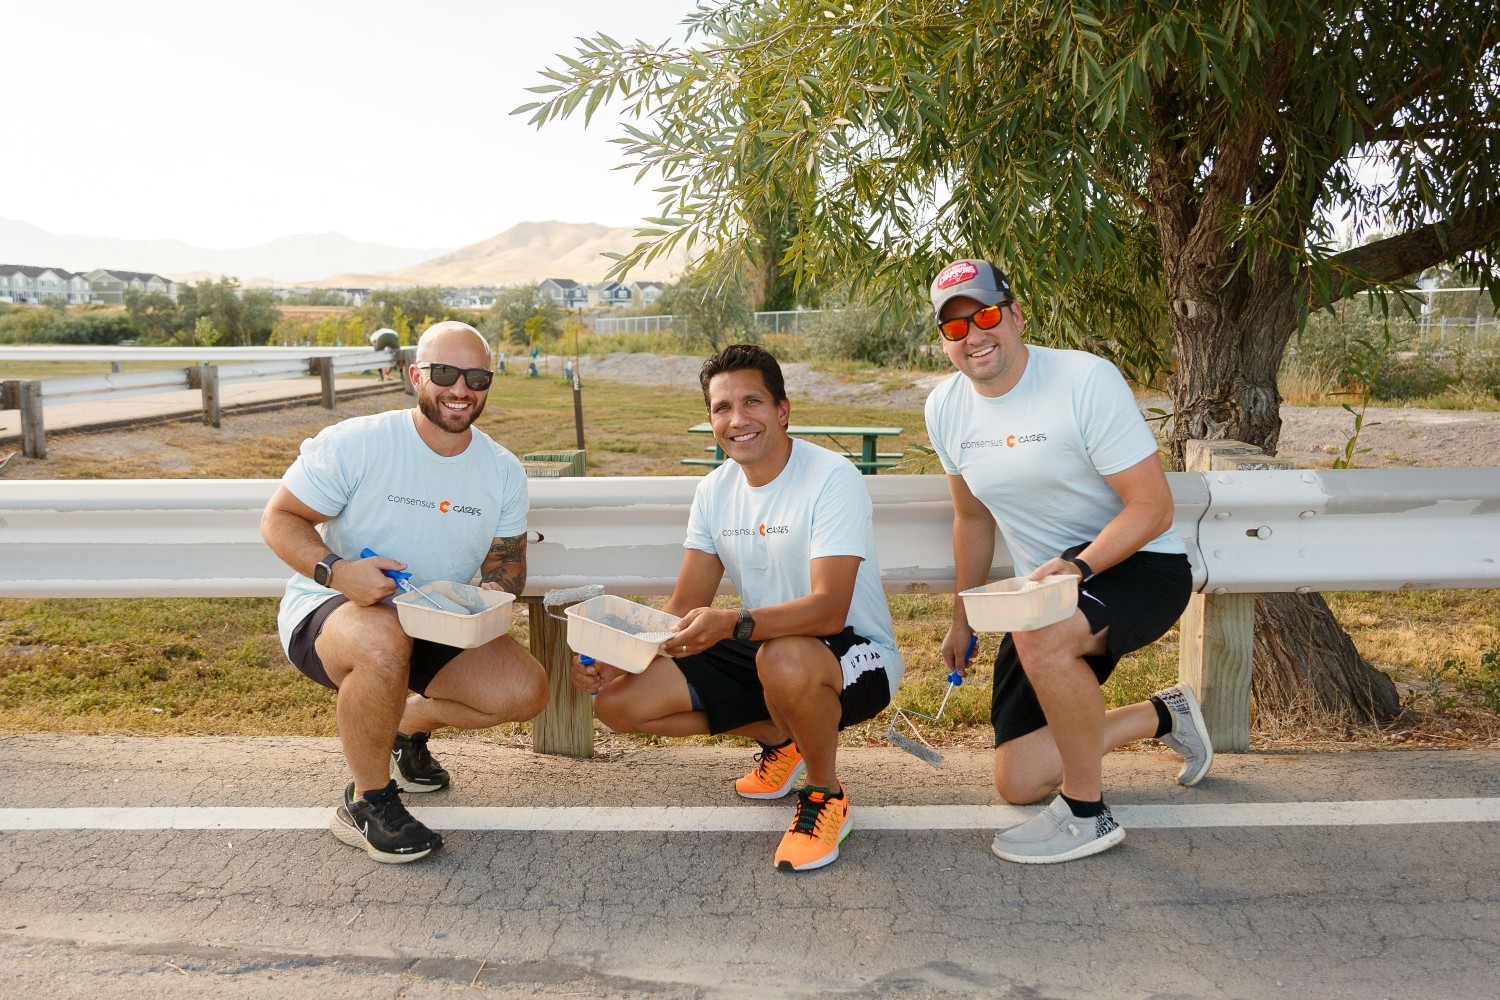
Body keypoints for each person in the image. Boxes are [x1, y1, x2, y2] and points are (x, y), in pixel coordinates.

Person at [570, 344, 904, 872]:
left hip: (853, 652)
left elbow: (830, 611)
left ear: (782, 410)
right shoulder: (714, 490)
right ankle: (780, 737)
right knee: (616, 703)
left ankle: (824, 795)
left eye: (752, 403)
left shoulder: (831, 477)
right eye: (722, 408)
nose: (737, 419)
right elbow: (684, 605)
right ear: (710, 420)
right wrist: (622, 654)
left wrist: (732, 623)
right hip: (764, 643)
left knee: (785, 659)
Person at [924, 258, 1211, 864]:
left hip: (1139, 566)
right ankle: (1164, 714)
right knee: (1019, 781)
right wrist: (962, 619)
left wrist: (1080, 568)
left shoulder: (1083, 380)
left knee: (1042, 634)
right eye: (955, 327)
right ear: (944, 340)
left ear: (1016, 315)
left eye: (987, 315)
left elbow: (1153, 508)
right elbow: (972, 519)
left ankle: (1088, 814)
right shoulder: (945, 409)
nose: (974, 335)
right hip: (1049, 590)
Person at [262, 320, 549, 864]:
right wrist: (338, 571)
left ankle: (403, 725)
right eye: (444, 373)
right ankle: (367, 803)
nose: (460, 389)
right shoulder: (358, 442)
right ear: (415, 374)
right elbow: (280, 519)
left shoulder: (502, 469)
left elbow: (508, 560)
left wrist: (493, 594)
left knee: (525, 690)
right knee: (382, 641)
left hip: (436, 615)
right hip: (336, 608)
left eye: (476, 377)